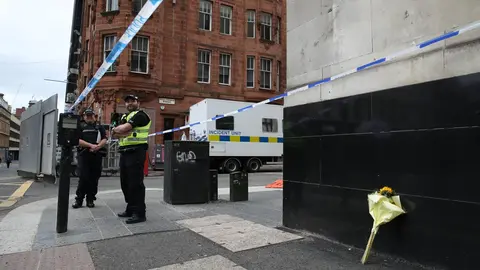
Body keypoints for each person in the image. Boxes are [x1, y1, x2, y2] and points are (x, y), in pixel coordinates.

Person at [112, 94, 151, 224]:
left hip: (136, 152)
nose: (129, 103)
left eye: (132, 101)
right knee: (125, 183)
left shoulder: (141, 115)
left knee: (136, 184)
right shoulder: (124, 117)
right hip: (124, 152)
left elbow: (124, 129)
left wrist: (120, 130)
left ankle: (139, 213)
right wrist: (119, 131)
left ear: (138, 102)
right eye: (127, 102)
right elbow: (115, 134)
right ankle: (130, 208)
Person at [72, 108, 107, 209]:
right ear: (84, 117)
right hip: (84, 155)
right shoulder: (80, 127)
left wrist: (98, 147)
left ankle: (90, 199)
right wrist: (91, 146)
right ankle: (79, 200)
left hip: (96, 155)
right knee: (83, 178)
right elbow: (77, 140)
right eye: (87, 116)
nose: (89, 117)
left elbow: (104, 138)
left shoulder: (99, 127)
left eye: (91, 115)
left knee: (94, 178)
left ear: (94, 116)